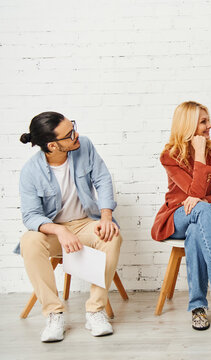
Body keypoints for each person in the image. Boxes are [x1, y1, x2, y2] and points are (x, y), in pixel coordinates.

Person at [18, 112, 122, 342]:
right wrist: (59, 230)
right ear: (53, 145)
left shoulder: (84, 146)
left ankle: (95, 311)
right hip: (54, 230)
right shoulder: (30, 171)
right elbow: (31, 215)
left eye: (73, 127)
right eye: (70, 134)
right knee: (29, 241)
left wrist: (106, 216)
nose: (77, 135)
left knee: (112, 235)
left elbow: (103, 179)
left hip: (86, 223)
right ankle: (54, 314)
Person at [151, 101, 211, 330]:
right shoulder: (169, 155)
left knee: (196, 230)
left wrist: (204, 202)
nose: (209, 125)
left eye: (208, 120)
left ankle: (198, 307)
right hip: (176, 216)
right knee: (200, 211)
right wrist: (201, 153)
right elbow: (194, 195)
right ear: (189, 125)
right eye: (203, 121)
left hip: (201, 217)